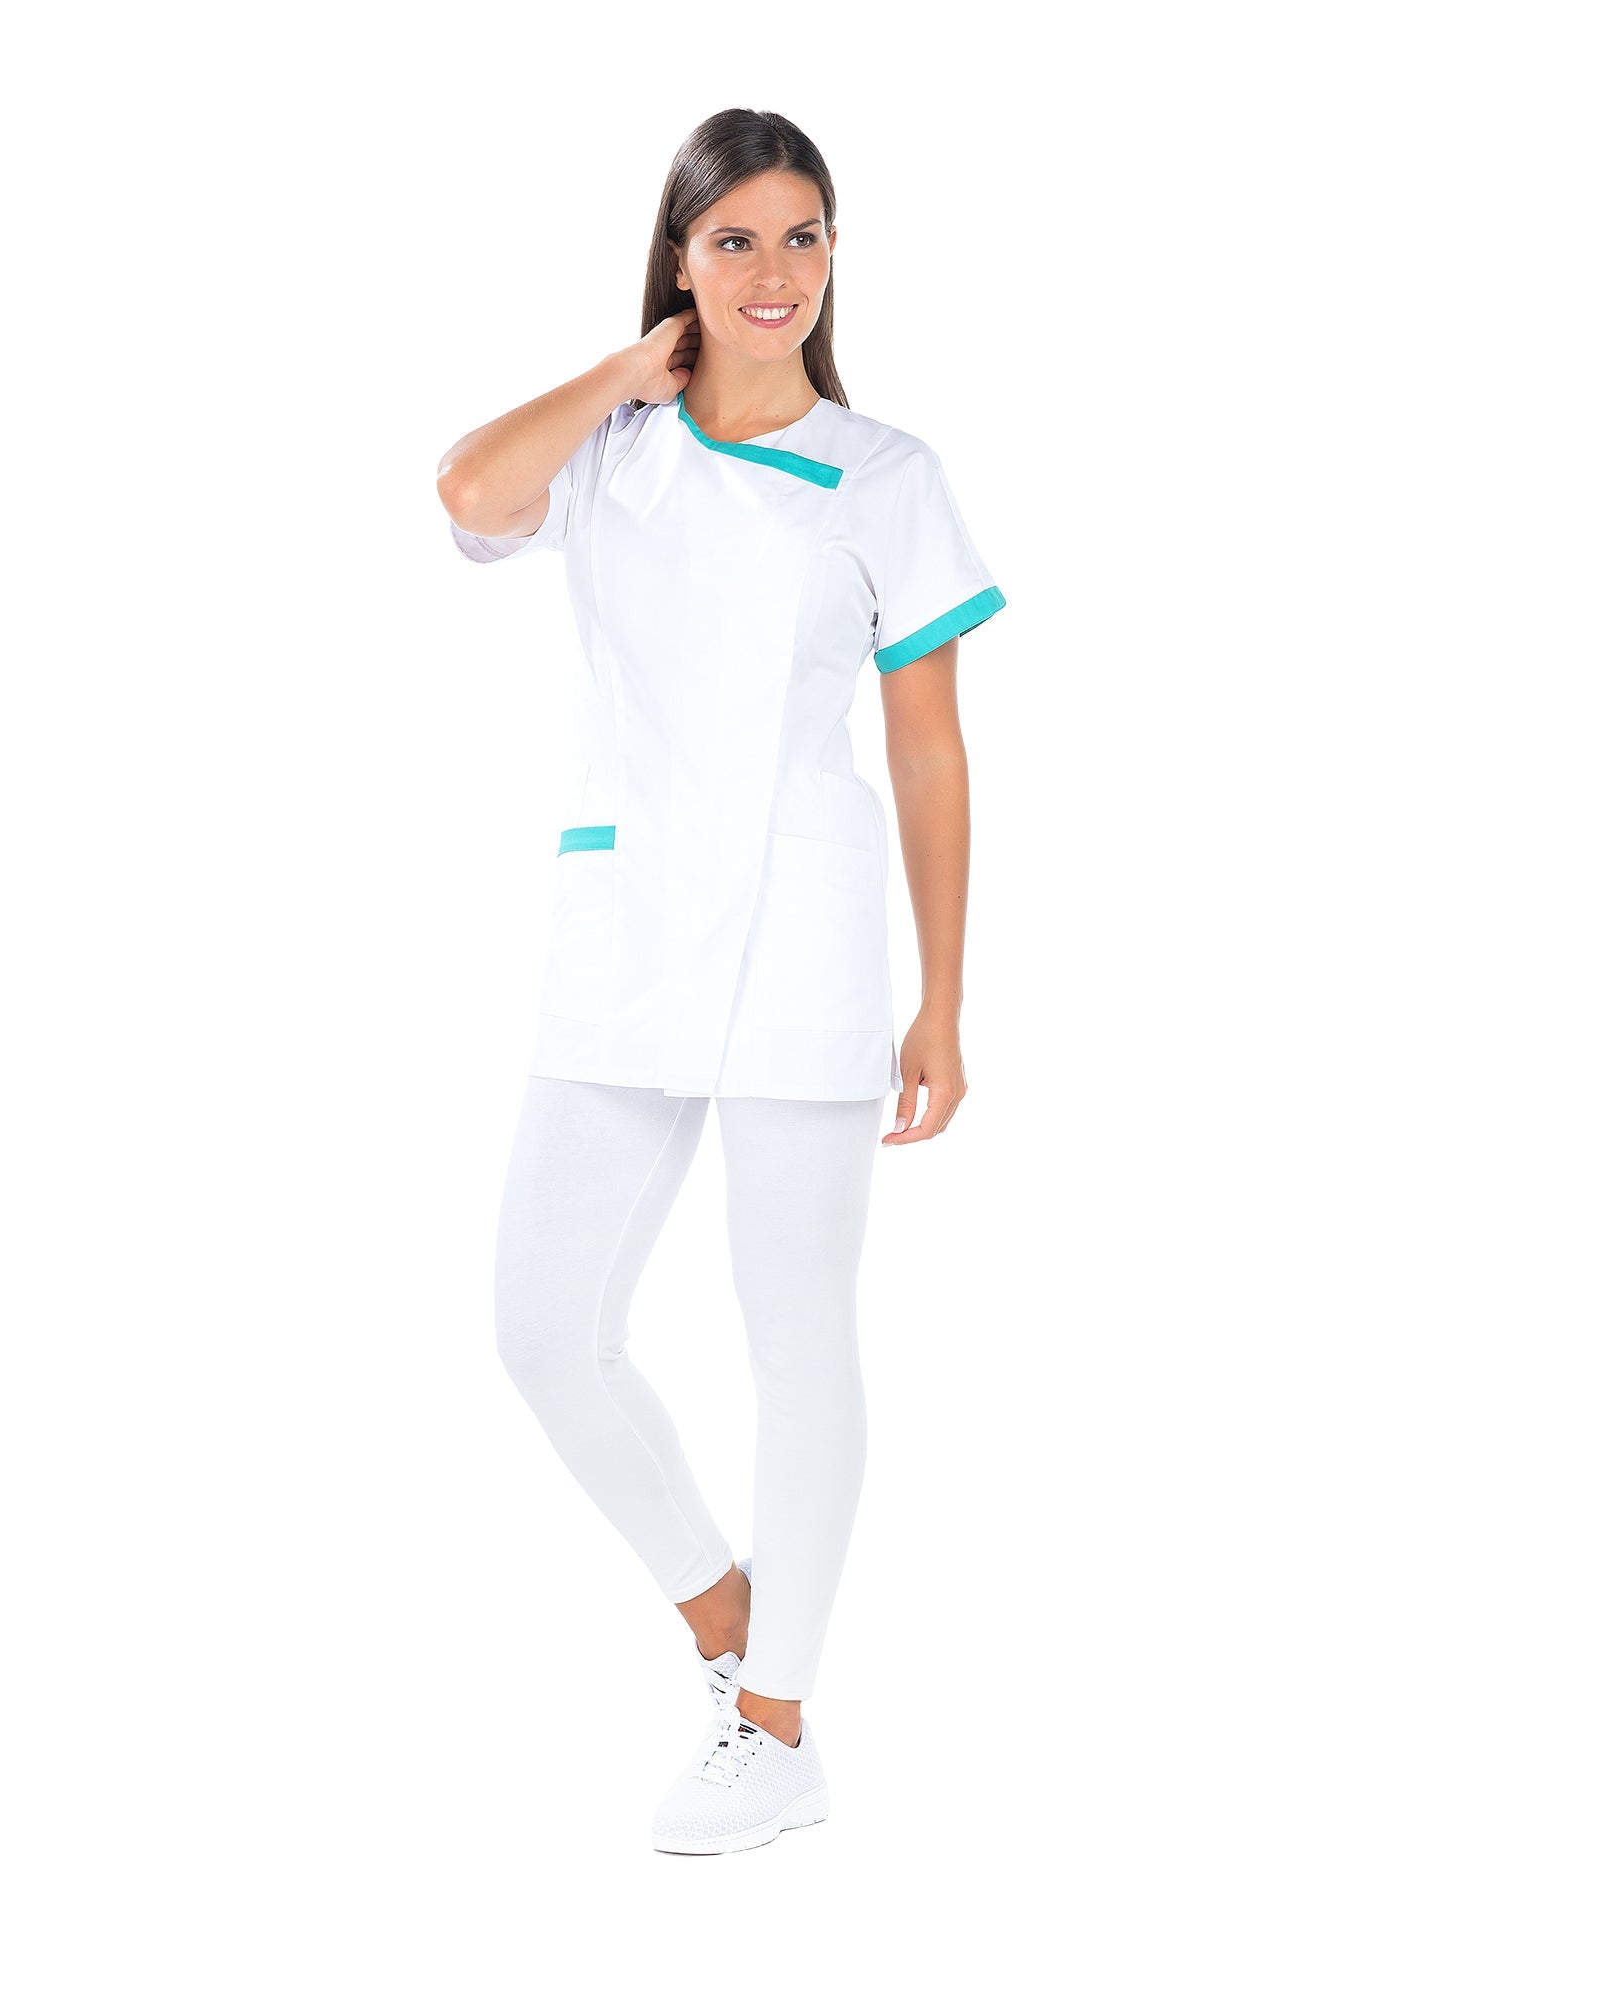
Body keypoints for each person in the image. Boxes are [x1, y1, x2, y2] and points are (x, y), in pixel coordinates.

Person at [436, 107, 1005, 1855]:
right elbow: (468, 492)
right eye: (736, 239)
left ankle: (777, 1727)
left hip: (805, 941)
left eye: (803, 236)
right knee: (543, 1327)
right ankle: (725, 1613)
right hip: (621, 933)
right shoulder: (608, 451)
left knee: (795, 1328)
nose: (776, 273)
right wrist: (629, 370)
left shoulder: (888, 474)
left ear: (837, 257)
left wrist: (943, 997)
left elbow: (929, 752)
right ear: (680, 256)